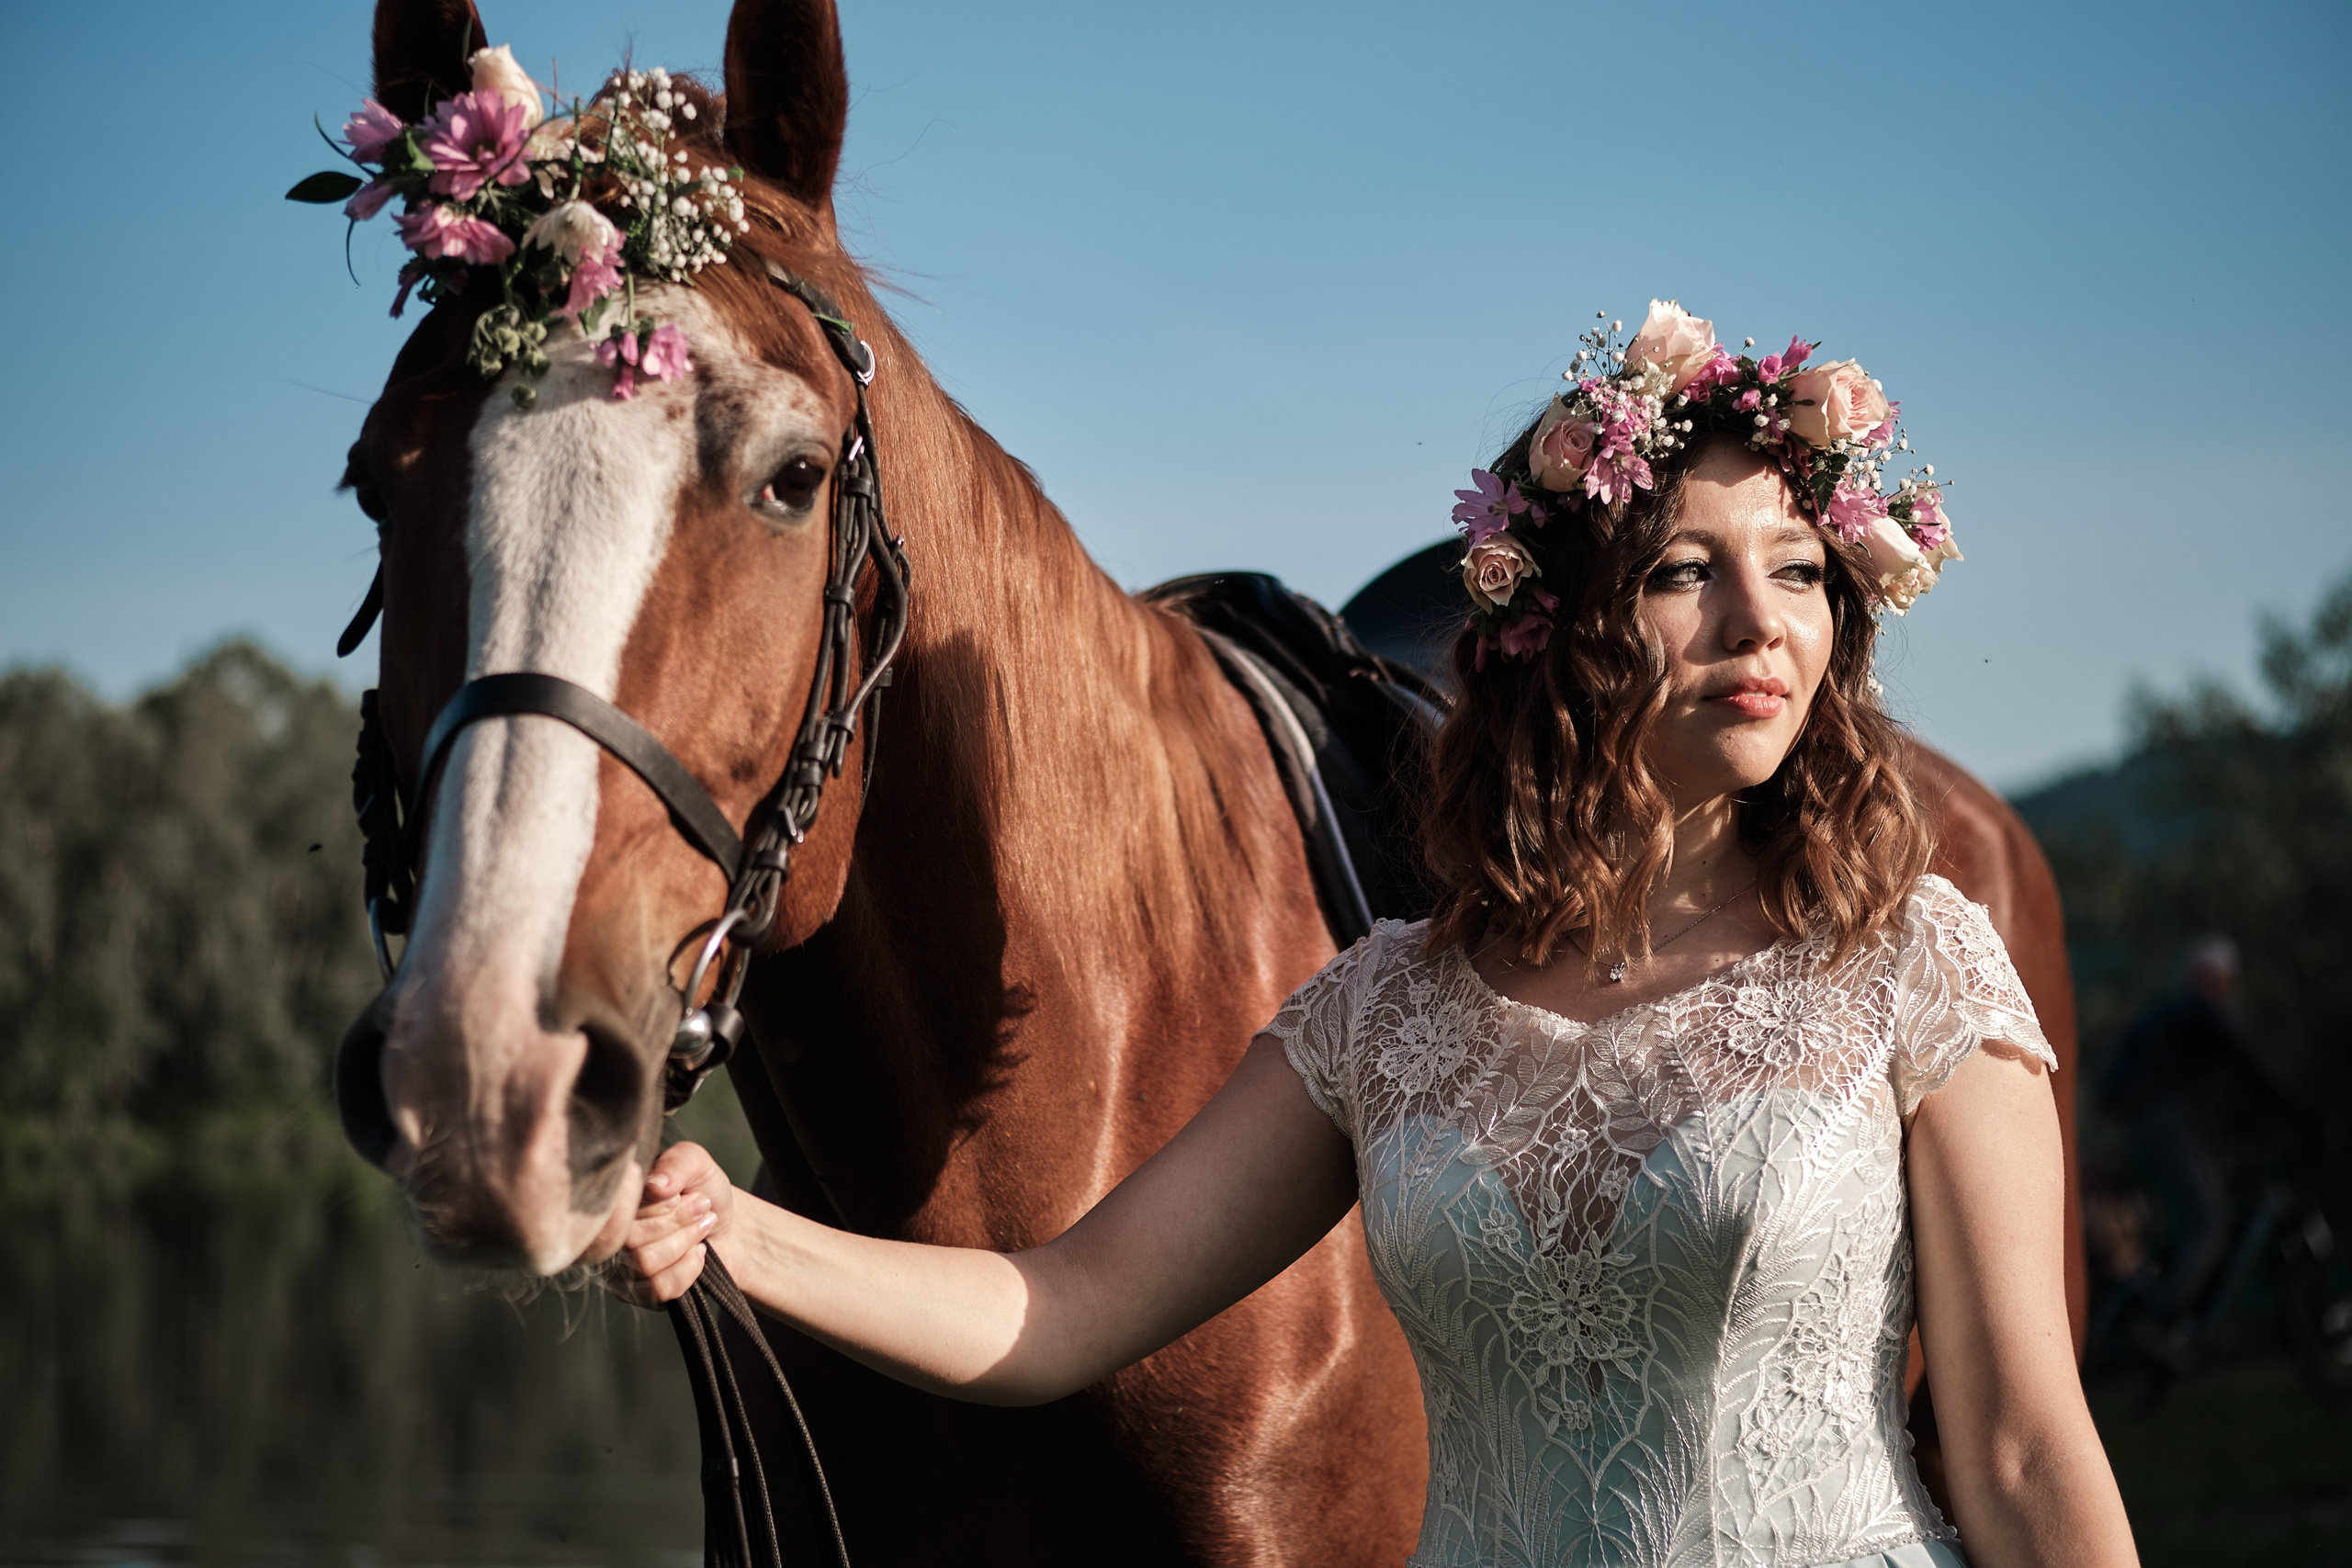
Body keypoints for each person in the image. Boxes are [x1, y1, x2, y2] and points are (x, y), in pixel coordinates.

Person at [608, 303, 2137, 1567]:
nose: (1764, 623)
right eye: (1687, 570)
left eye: (1799, 570)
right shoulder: (1387, 1013)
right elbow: (1059, 1308)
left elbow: (2017, 1449)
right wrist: (747, 1236)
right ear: (1561, 627)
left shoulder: (1913, 963)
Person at [2096, 936, 2303, 1356]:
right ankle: (2162, 1322)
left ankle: (2176, 1313)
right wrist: (2310, 1117)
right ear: (2214, 978)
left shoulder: (2164, 1018)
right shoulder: (2199, 1012)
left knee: (2196, 1218)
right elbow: (2254, 1070)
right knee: (2209, 1224)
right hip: (2169, 1129)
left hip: (2147, 1132)